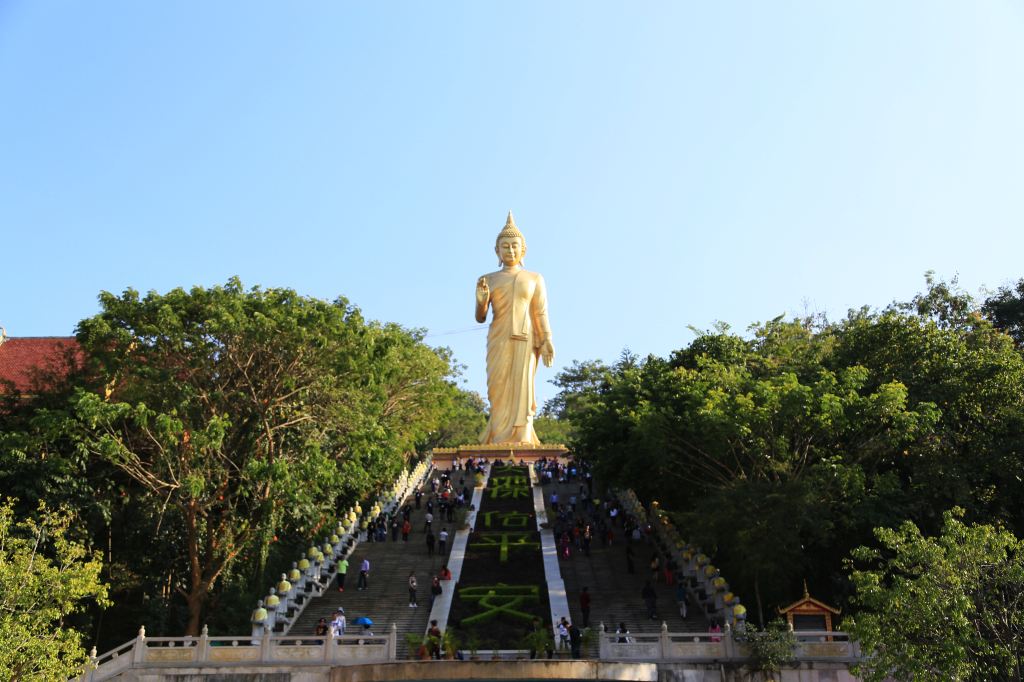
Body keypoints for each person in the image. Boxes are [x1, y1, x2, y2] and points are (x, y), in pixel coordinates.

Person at [475, 212, 555, 445]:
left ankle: (522, 435)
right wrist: (481, 300)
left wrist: (547, 338)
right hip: (498, 337)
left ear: (523, 250)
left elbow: (540, 312)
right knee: (497, 387)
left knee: (523, 386)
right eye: (505, 247)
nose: (510, 251)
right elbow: (480, 317)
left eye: (514, 246)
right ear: (496, 251)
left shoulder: (534, 278)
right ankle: (498, 436)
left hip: (526, 338)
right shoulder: (486, 279)